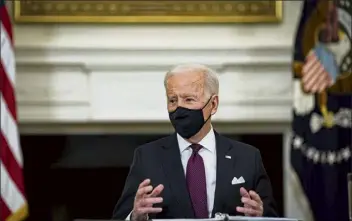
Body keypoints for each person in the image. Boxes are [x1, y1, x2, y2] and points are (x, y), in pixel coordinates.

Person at [112, 64, 278, 220]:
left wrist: (261, 215)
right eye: (172, 100)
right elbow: (120, 217)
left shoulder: (248, 157)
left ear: (213, 104)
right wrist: (135, 215)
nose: (179, 108)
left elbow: (273, 216)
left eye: (189, 100)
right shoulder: (147, 157)